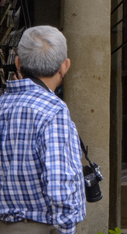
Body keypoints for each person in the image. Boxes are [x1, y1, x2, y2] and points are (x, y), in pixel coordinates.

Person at [0, 26, 86, 234]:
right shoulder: (53, 111)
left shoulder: (2, 105)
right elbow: (59, 182)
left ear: (18, 63)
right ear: (65, 66)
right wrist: (66, 228)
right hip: (40, 227)